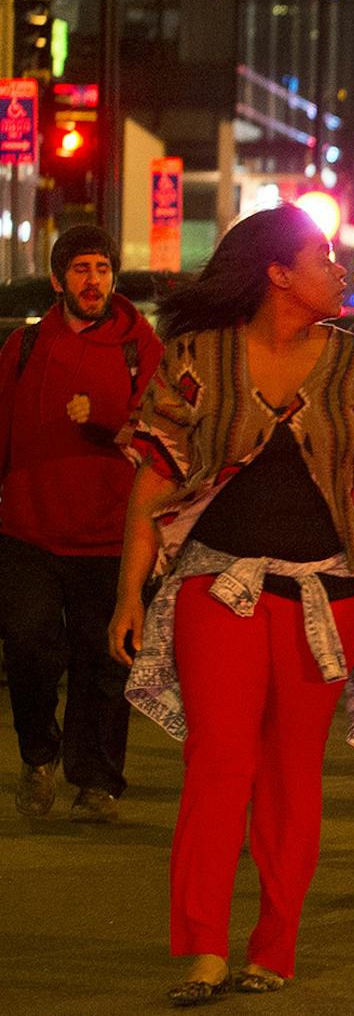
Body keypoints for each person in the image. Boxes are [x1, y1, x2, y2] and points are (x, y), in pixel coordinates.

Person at [108, 204, 354, 1003]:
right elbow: (154, 478)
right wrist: (128, 589)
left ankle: (275, 944)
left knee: (295, 774)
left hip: (328, 593)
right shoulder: (196, 357)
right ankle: (204, 948)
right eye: (324, 255)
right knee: (219, 765)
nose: (341, 267)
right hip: (215, 586)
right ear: (278, 273)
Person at [0, 225, 163, 822]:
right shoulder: (22, 348)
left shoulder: (141, 347)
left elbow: (163, 433)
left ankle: (95, 780)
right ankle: (37, 755)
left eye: (101, 269)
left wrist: (105, 415)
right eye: (80, 269)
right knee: (29, 646)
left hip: (112, 532)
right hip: (28, 528)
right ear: (57, 279)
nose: (92, 281)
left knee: (105, 659)